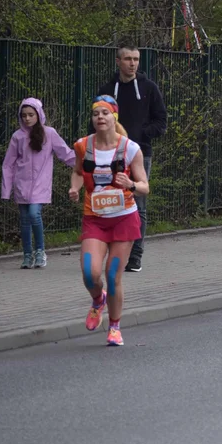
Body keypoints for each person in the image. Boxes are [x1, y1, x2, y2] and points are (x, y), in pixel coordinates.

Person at [68, 96, 149, 346]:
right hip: (95, 218)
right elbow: (78, 171)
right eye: (96, 114)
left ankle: (114, 326)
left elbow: (145, 186)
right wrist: (74, 188)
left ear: (114, 117)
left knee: (113, 274)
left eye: (105, 113)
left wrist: (132, 184)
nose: (100, 117)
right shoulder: (82, 145)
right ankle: (97, 299)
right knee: (89, 272)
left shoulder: (131, 148)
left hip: (124, 218)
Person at [95, 44, 167, 273]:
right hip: (110, 154)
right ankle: (114, 252)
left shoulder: (148, 88)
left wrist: (140, 136)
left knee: (138, 204)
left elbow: (161, 121)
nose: (133, 64)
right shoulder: (108, 90)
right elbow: (96, 119)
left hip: (139, 153)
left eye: (136, 59)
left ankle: (135, 256)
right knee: (110, 201)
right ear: (118, 61)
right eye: (128, 59)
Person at [1, 98, 75, 268]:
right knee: (25, 220)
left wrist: (85, 162)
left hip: (41, 184)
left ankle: (40, 251)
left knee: (34, 214)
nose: (27, 118)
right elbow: (8, 164)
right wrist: (6, 190)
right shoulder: (17, 137)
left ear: (38, 115)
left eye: (31, 115)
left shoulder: (49, 133)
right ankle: (27, 255)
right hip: (22, 185)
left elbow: (65, 154)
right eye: (24, 115)